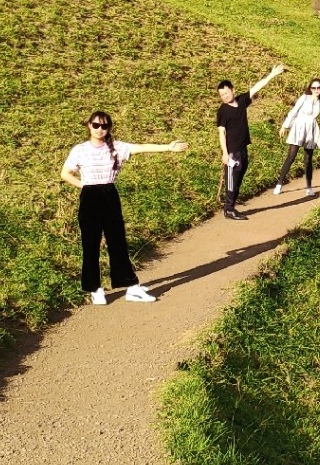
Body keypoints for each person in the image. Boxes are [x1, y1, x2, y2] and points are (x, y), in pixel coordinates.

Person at [61, 111, 188, 304]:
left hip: (110, 196)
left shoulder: (117, 147)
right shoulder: (80, 149)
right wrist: (85, 186)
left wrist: (169, 147)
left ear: (109, 128)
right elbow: (66, 173)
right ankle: (95, 289)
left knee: (117, 242)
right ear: (89, 125)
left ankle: (131, 287)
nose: (100, 130)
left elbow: (142, 147)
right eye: (96, 125)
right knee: (90, 244)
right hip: (89, 198)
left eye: (104, 126)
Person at [217, 64, 287, 219]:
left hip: (242, 148)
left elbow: (256, 87)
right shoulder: (222, 111)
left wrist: (272, 74)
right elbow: (221, 132)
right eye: (222, 95)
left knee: (239, 178)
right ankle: (228, 209)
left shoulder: (241, 101)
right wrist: (225, 153)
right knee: (231, 180)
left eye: (227, 93)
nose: (225, 96)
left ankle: (231, 207)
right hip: (232, 151)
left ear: (233, 90)